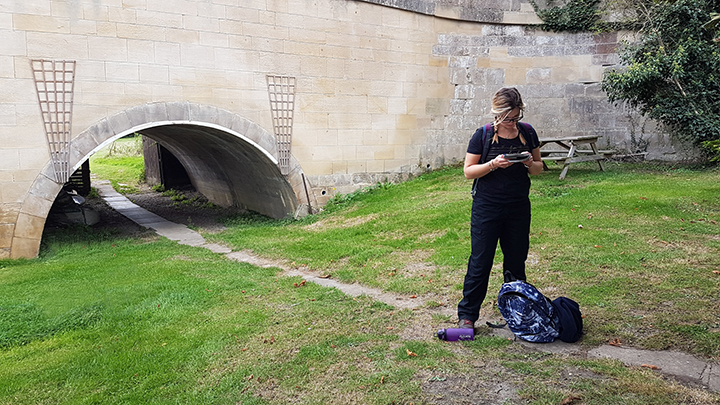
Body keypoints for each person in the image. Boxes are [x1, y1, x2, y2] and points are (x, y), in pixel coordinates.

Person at [457, 87, 543, 329]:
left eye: (515, 118)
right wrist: (493, 164)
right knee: (480, 261)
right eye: (507, 119)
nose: (511, 123)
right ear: (497, 114)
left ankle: (518, 311)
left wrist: (528, 162)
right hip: (487, 207)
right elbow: (468, 171)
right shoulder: (482, 135)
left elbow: (538, 167)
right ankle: (467, 316)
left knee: (516, 260)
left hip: (518, 206)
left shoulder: (527, 132)